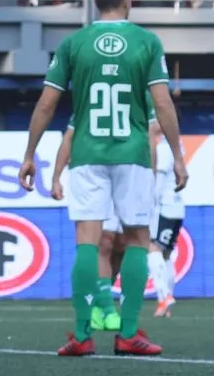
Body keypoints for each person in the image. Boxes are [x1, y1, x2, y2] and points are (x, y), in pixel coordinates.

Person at [19, 0, 187, 358]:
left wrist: (30, 155)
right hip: (133, 154)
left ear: (96, 1)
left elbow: (47, 103)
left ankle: (81, 334)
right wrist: (178, 157)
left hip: (87, 155)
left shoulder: (74, 44)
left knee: (87, 242)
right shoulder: (146, 41)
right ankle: (128, 332)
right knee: (138, 240)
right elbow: (162, 103)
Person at [51, 104, 160, 333]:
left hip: (131, 173)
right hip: (97, 171)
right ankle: (107, 309)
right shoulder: (91, 96)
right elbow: (69, 136)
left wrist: (151, 174)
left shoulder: (140, 95)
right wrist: (56, 175)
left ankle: (100, 301)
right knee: (104, 241)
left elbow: (152, 134)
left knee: (123, 244)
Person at [149, 112, 186, 317]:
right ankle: (167, 299)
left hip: (163, 206)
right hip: (177, 207)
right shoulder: (175, 146)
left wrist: (149, 203)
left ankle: (164, 296)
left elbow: (158, 181)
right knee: (165, 253)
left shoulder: (163, 149)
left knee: (151, 247)